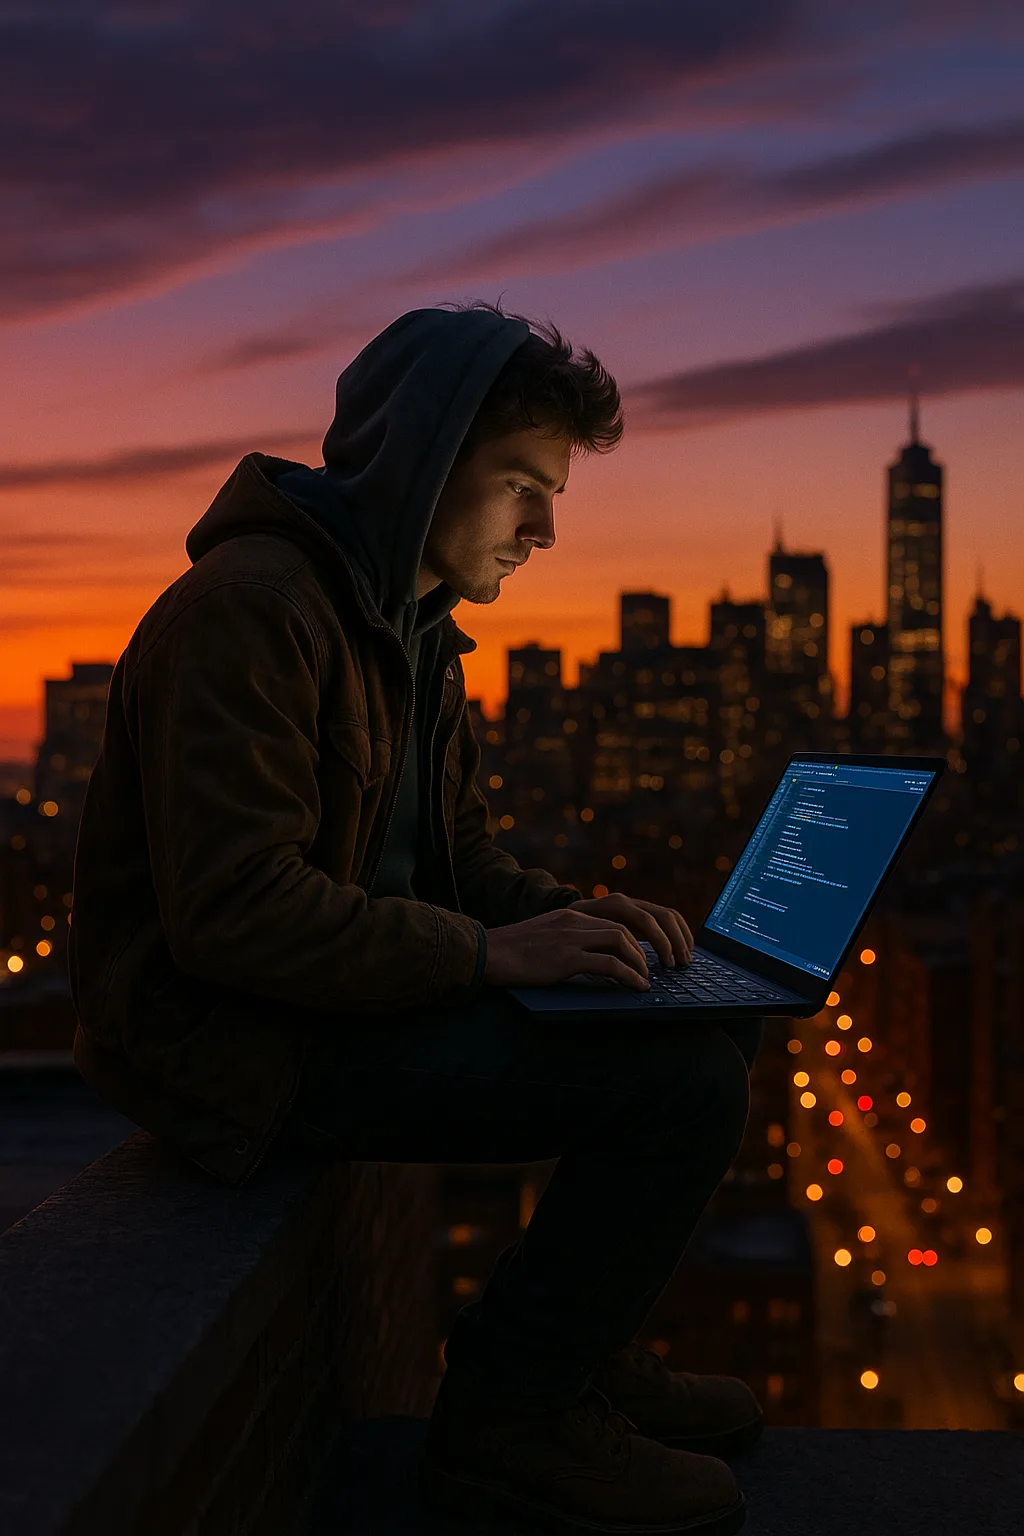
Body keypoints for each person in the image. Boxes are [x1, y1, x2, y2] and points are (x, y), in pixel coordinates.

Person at [69, 300, 762, 1535]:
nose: (546, 529)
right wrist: (496, 954)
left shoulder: (412, 632)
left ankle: (573, 1351)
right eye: (520, 487)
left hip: (335, 1006)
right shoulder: (256, 611)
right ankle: (511, 1425)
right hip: (237, 1047)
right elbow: (232, 915)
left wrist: (594, 923)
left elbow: (464, 868)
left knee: (711, 1016)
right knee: (681, 1089)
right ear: (425, 461)